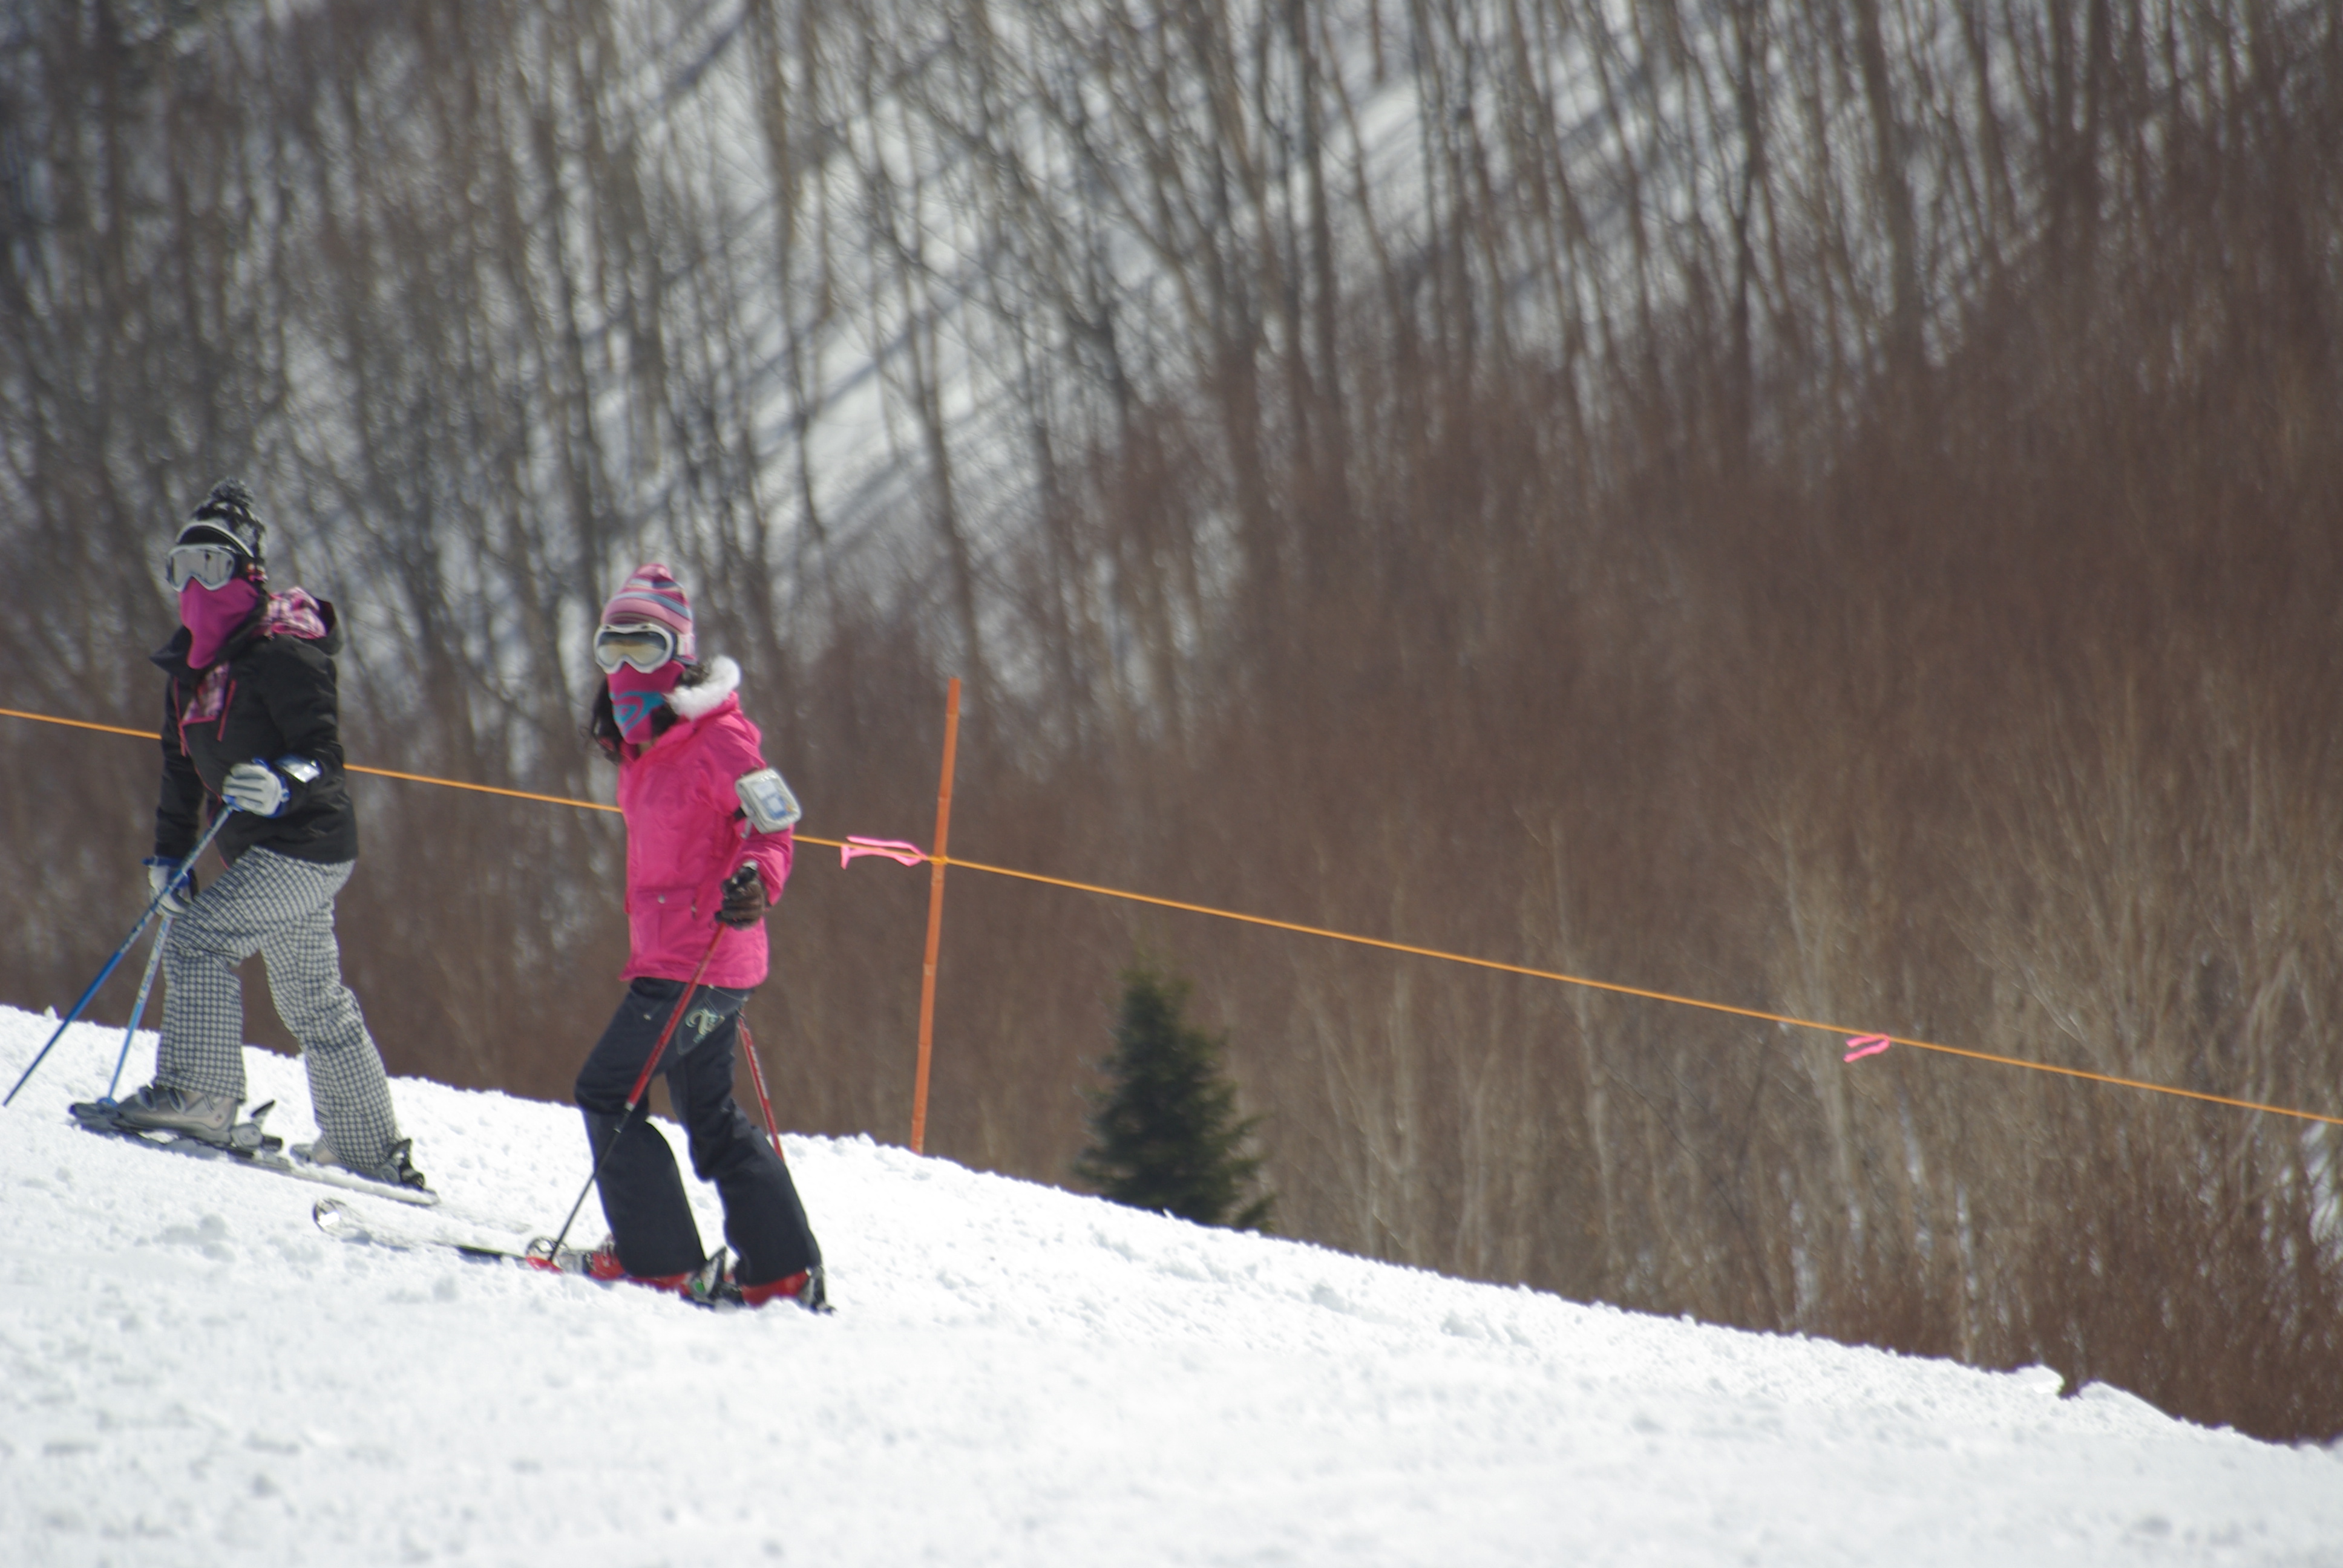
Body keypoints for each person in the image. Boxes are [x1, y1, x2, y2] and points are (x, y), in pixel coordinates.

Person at [84, 480, 425, 1192]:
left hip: (308, 844)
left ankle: (202, 1095)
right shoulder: (189, 673)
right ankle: (368, 1149)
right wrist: (169, 858)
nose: (196, 587)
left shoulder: (283, 655)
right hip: (255, 852)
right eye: (182, 568)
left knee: (200, 938)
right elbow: (181, 771)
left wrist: (282, 782)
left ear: (248, 577)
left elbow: (323, 754)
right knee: (311, 998)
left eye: (212, 567)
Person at [574, 561, 825, 1310]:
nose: (626, 666)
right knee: (708, 1116)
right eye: (612, 647)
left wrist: (756, 880)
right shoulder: (644, 746)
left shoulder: (719, 739)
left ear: (679, 655)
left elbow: (773, 827)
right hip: (688, 960)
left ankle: (661, 1260)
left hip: (699, 958)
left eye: (644, 647)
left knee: (606, 1092)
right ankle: (779, 1270)